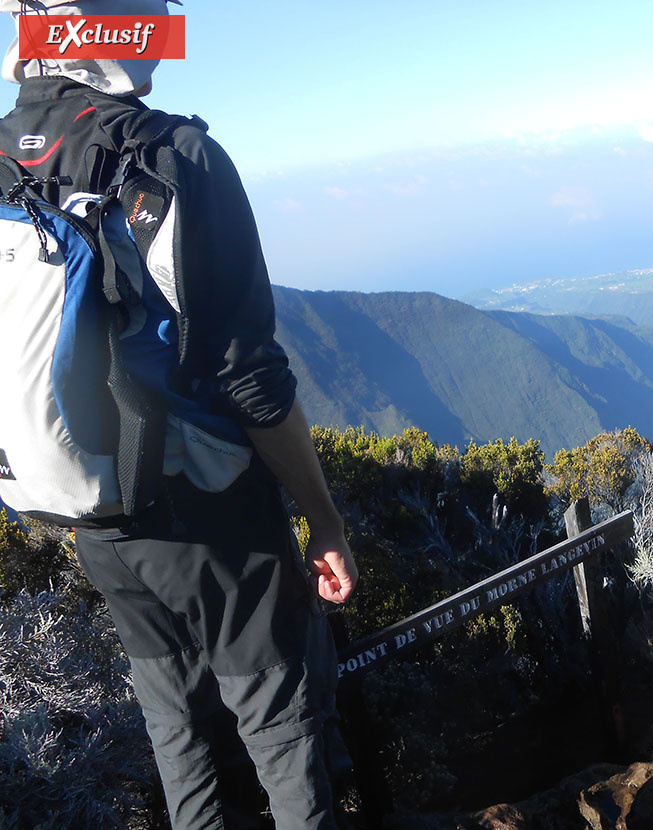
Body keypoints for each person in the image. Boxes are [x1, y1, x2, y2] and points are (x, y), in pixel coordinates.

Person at [0, 1, 359, 827]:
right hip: (209, 508)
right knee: (282, 729)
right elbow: (250, 375)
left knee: (178, 731)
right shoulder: (171, 156)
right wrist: (323, 517)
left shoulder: (6, 153)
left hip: (88, 505)